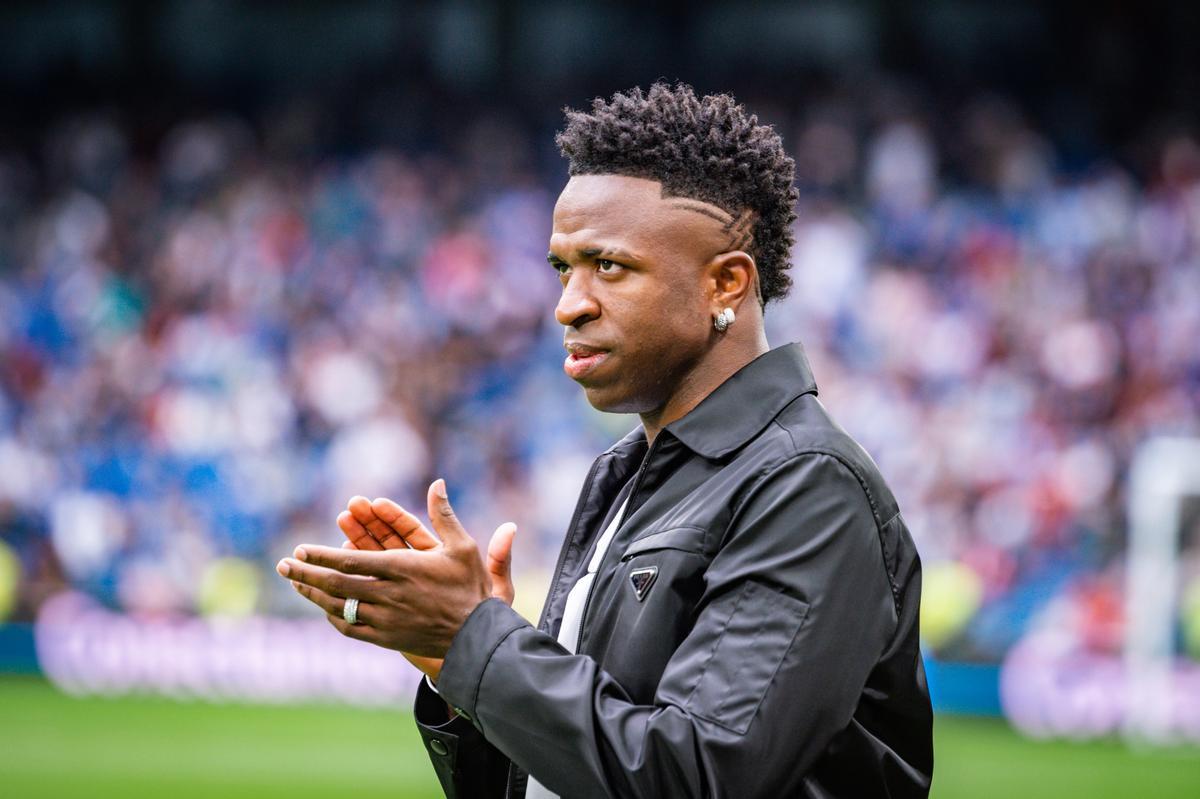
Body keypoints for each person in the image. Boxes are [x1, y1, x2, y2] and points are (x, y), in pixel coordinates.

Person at [276, 82, 933, 798]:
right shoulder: (624, 475)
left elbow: (697, 779)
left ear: (726, 284)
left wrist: (479, 642)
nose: (569, 304)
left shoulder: (806, 484)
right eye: (563, 267)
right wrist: (456, 667)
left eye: (609, 266)